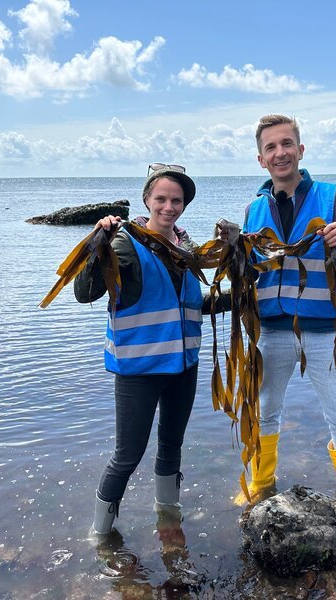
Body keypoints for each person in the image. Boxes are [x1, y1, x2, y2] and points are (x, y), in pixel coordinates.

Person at [240, 115, 336, 518]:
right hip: (270, 331)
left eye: (286, 144)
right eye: (271, 147)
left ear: (301, 150)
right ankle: (260, 482)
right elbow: (245, 270)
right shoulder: (253, 210)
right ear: (261, 159)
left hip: (326, 330)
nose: (280, 153)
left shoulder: (333, 197)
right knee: (264, 410)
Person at [74, 163, 206, 535]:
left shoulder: (185, 247)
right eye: (161, 198)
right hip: (140, 371)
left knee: (171, 446)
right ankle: (99, 535)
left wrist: (244, 298)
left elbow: (188, 306)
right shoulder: (126, 244)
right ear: (146, 200)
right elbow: (85, 293)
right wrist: (96, 241)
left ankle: (169, 517)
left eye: (177, 200)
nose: (169, 206)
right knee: (127, 456)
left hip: (183, 367)